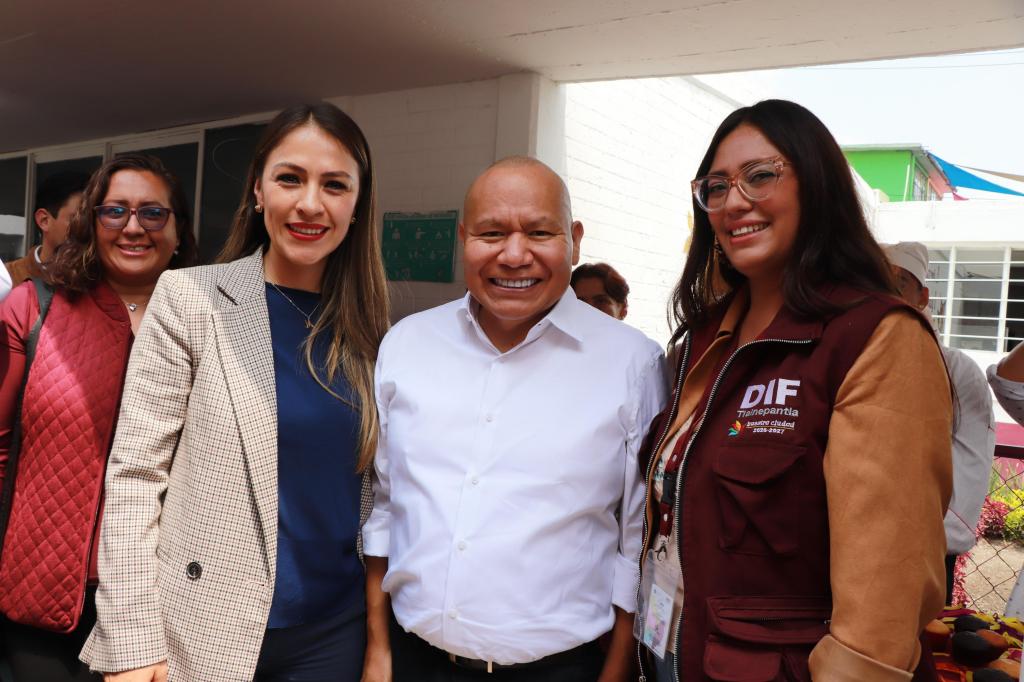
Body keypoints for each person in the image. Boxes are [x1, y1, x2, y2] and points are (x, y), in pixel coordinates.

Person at [635, 100, 952, 682]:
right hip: (672, 652)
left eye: (760, 175)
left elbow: (883, 600)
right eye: (716, 187)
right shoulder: (705, 337)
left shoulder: (875, 337)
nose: (734, 202)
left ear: (818, 185)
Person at [80, 103, 389, 681]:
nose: (310, 203)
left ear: (357, 204)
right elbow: (135, 477)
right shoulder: (191, 299)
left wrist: (378, 641)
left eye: (334, 185)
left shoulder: (373, 332)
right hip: (203, 625)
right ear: (258, 190)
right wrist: (133, 642)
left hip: (334, 633)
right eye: (290, 178)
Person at [362, 156, 666, 682]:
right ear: (464, 239)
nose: (514, 254)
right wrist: (378, 650)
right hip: (414, 660)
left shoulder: (632, 363)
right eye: (492, 233)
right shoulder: (407, 345)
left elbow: (637, 541)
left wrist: (617, 670)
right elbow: (384, 507)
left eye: (539, 232)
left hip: (561, 671)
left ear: (574, 240)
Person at [0, 154, 197, 682]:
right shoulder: (33, 308)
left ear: (178, 230)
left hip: (163, 600)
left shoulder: (211, 326)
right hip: (39, 590)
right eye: (115, 211)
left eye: (152, 213)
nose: (133, 227)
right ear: (91, 222)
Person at [884, 241, 996, 604]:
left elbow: (972, 458)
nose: (884, 296)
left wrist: (932, 538)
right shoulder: (847, 361)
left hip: (924, 550)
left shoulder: (956, 369)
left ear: (923, 297)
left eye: (898, 284)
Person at [5, 171, 89, 286]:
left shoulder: (99, 280)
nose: (88, 228)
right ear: (44, 220)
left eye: (93, 219)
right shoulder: (9, 279)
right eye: (78, 219)